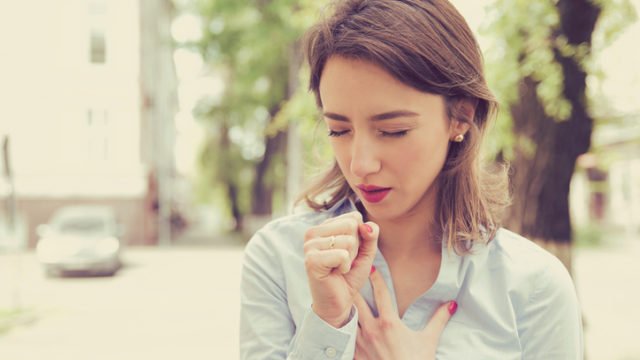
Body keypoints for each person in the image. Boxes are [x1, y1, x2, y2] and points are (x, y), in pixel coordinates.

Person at [240, 0, 583, 359]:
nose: (360, 165)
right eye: (338, 130)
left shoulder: (535, 287)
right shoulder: (278, 258)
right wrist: (327, 321)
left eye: (393, 130)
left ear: (461, 117)